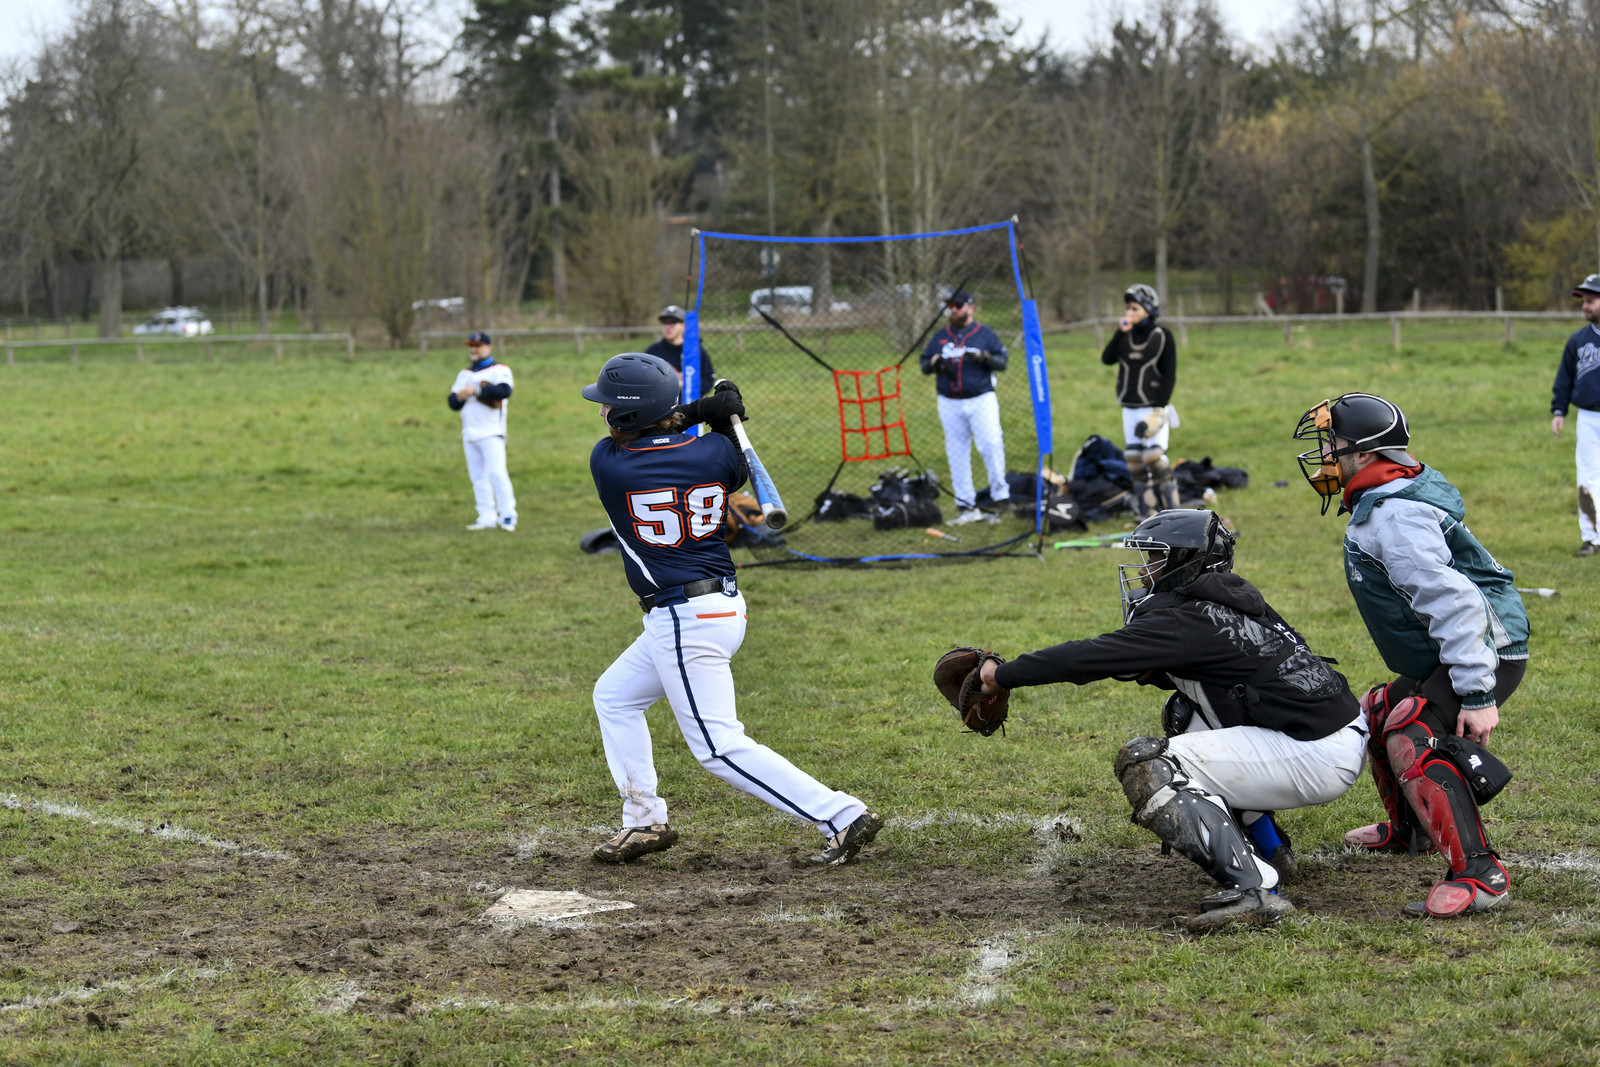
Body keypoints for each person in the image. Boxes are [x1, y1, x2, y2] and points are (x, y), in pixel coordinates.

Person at [973, 509, 1365, 931]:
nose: (1143, 570)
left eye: (1154, 558)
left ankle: (1257, 890)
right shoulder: (1229, 598)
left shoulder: (1184, 618)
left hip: (1316, 752)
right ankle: (1270, 851)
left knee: (1147, 762)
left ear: (1185, 561)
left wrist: (1001, 675)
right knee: (1185, 716)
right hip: (1331, 734)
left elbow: (1084, 657)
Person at [581, 352, 881, 866]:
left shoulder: (609, 464)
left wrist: (707, 408)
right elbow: (721, 450)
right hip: (719, 606)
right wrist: (720, 413)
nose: (602, 412)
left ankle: (841, 814)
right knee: (614, 696)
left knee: (717, 747)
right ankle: (645, 819)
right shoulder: (718, 453)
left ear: (629, 415)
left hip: (682, 620)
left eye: (610, 405)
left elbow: (672, 426)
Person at [1294, 392, 1529, 918]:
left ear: (1366, 453)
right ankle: (1410, 833)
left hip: (1488, 650)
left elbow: (1458, 603)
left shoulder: (1394, 516)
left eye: (1333, 445)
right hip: (1456, 651)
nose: (1326, 456)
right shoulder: (1385, 499)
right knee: (1378, 710)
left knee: (1410, 732)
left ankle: (1480, 875)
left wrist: (1476, 692)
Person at [920, 288, 1010, 526]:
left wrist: (984, 357)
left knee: (991, 444)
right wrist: (936, 362)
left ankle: (1000, 497)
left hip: (981, 399)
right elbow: (924, 365)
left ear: (970, 307)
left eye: (958, 306)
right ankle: (965, 505)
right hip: (949, 401)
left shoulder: (984, 334)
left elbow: (1002, 362)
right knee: (956, 451)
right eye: (950, 306)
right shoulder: (941, 336)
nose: (954, 310)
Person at [1101, 284, 1179, 516]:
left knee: (1154, 457)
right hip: (1129, 407)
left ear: (1147, 310)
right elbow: (1107, 359)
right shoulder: (1125, 335)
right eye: (1127, 308)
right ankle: (1148, 513)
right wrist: (1119, 332)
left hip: (1152, 408)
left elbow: (1169, 375)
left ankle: (1173, 511)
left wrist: (1160, 409)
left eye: (1134, 308)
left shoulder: (1163, 336)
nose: (1129, 313)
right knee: (1134, 460)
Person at [1551, 274, 1600, 557]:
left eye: (1591, 300)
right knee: (1588, 476)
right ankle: (1592, 537)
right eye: (1584, 301)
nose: (1585, 306)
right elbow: (1565, 377)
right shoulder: (1579, 340)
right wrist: (1559, 409)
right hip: (1589, 418)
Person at [448, 330, 517, 532]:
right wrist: (460, 396)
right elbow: (452, 402)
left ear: (489, 347)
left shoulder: (499, 369)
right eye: (471, 346)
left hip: (491, 432)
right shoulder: (465, 374)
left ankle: (507, 516)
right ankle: (486, 516)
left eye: (477, 346)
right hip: (469, 432)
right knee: (478, 477)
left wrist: (476, 391)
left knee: (497, 474)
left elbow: (505, 391)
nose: (474, 349)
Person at [645, 304, 715, 395]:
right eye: (665, 323)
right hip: (662, 405)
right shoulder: (653, 352)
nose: (668, 327)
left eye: (673, 322)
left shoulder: (695, 351)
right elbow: (644, 380)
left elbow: (708, 380)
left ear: (683, 325)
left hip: (689, 404)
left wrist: (685, 385)